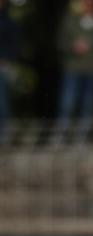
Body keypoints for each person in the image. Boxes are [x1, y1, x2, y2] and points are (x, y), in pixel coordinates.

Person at [56, 0, 93, 143]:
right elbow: (60, 42)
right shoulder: (70, 21)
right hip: (72, 68)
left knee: (87, 105)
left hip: (92, 69)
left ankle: (81, 138)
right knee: (67, 103)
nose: (89, 5)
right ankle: (61, 135)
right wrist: (73, 46)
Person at [0, 0, 21, 142]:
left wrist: (5, 59)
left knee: (2, 103)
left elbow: (15, 46)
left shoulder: (9, 22)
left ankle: (4, 137)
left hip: (2, 67)